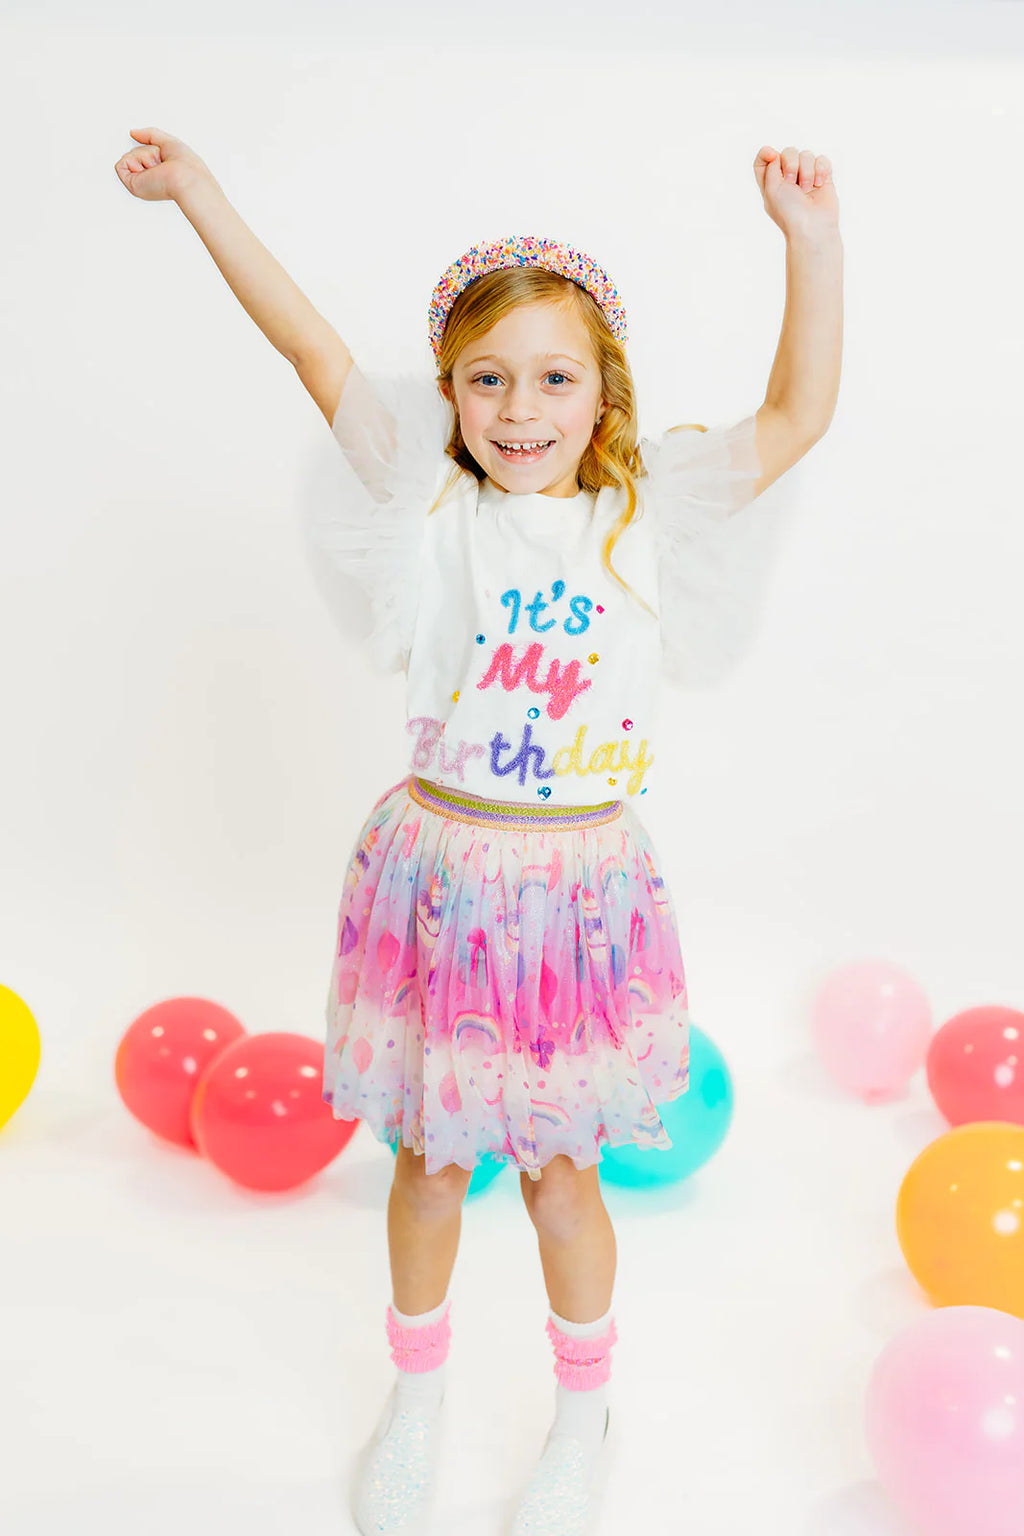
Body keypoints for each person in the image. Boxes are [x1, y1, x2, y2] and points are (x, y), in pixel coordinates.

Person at [115, 127, 842, 1536]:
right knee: (431, 1162)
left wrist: (809, 242)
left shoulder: (647, 516)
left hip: (576, 892)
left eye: (556, 377)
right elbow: (312, 348)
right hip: (443, 871)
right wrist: (201, 193)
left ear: (603, 390)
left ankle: (583, 1416)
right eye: (487, 376)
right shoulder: (432, 503)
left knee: (564, 1177)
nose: (521, 407)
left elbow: (797, 415)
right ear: (448, 391)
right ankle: (419, 1395)